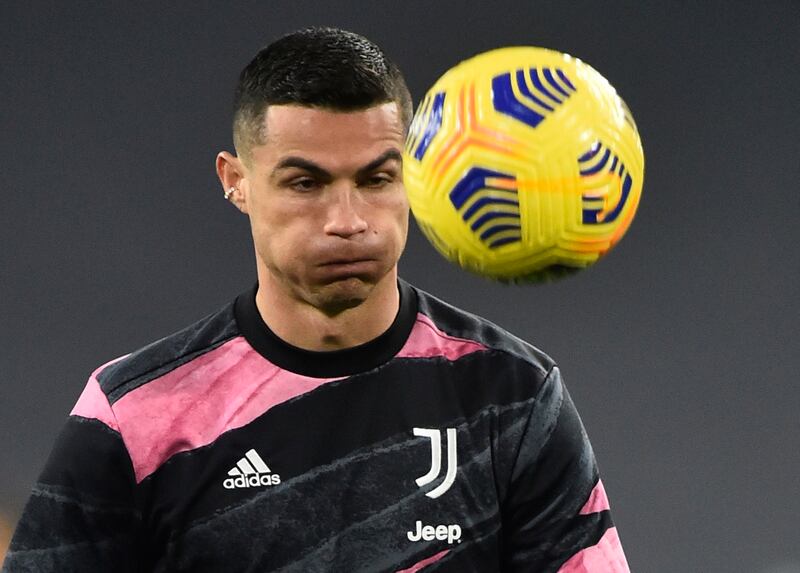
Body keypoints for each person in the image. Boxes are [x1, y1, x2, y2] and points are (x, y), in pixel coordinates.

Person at [2, 28, 630, 572]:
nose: (348, 220)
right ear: (236, 182)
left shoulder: (513, 396)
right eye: (306, 183)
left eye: (377, 179)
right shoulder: (135, 417)